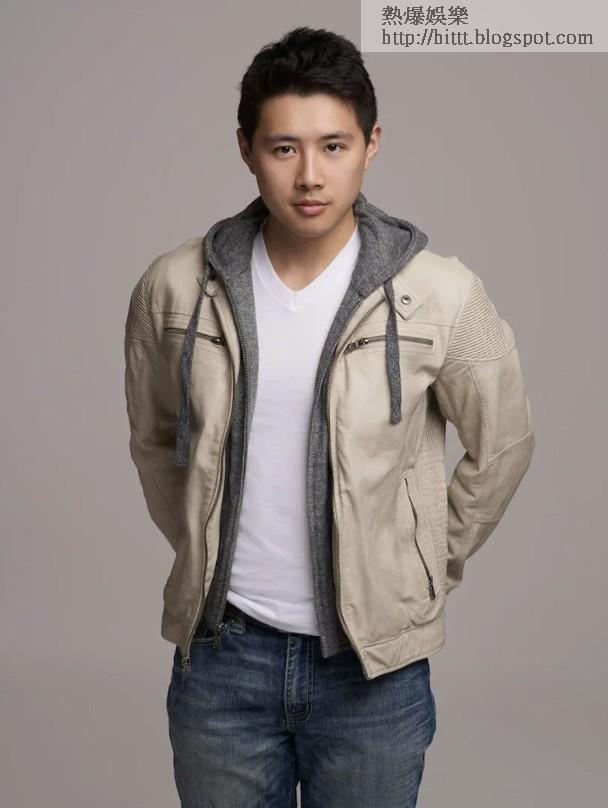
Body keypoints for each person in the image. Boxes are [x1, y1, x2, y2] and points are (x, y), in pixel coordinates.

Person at [124, 25, 535, 808]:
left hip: (371, 673)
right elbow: (156, 441)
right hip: (222, 659)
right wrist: (202, 547)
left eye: (333, 146)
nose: (310, 175)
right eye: (283, 148)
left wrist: (421, 563)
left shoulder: (441, 294)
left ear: (371, 145)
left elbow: (504, 444)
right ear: (246, 149)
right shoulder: (173, 288)